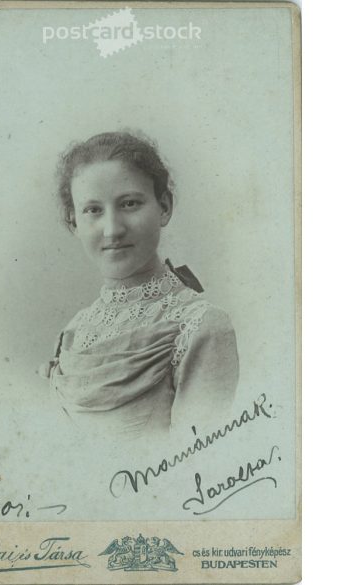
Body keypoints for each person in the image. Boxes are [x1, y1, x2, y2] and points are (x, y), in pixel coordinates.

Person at [39, 131, 239, 441]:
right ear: (73, 222)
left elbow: (200, 468)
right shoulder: (73, 332)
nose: (112, 230)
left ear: (164, 207)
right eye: (93, 210)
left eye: (130, 203)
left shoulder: (201, 327)